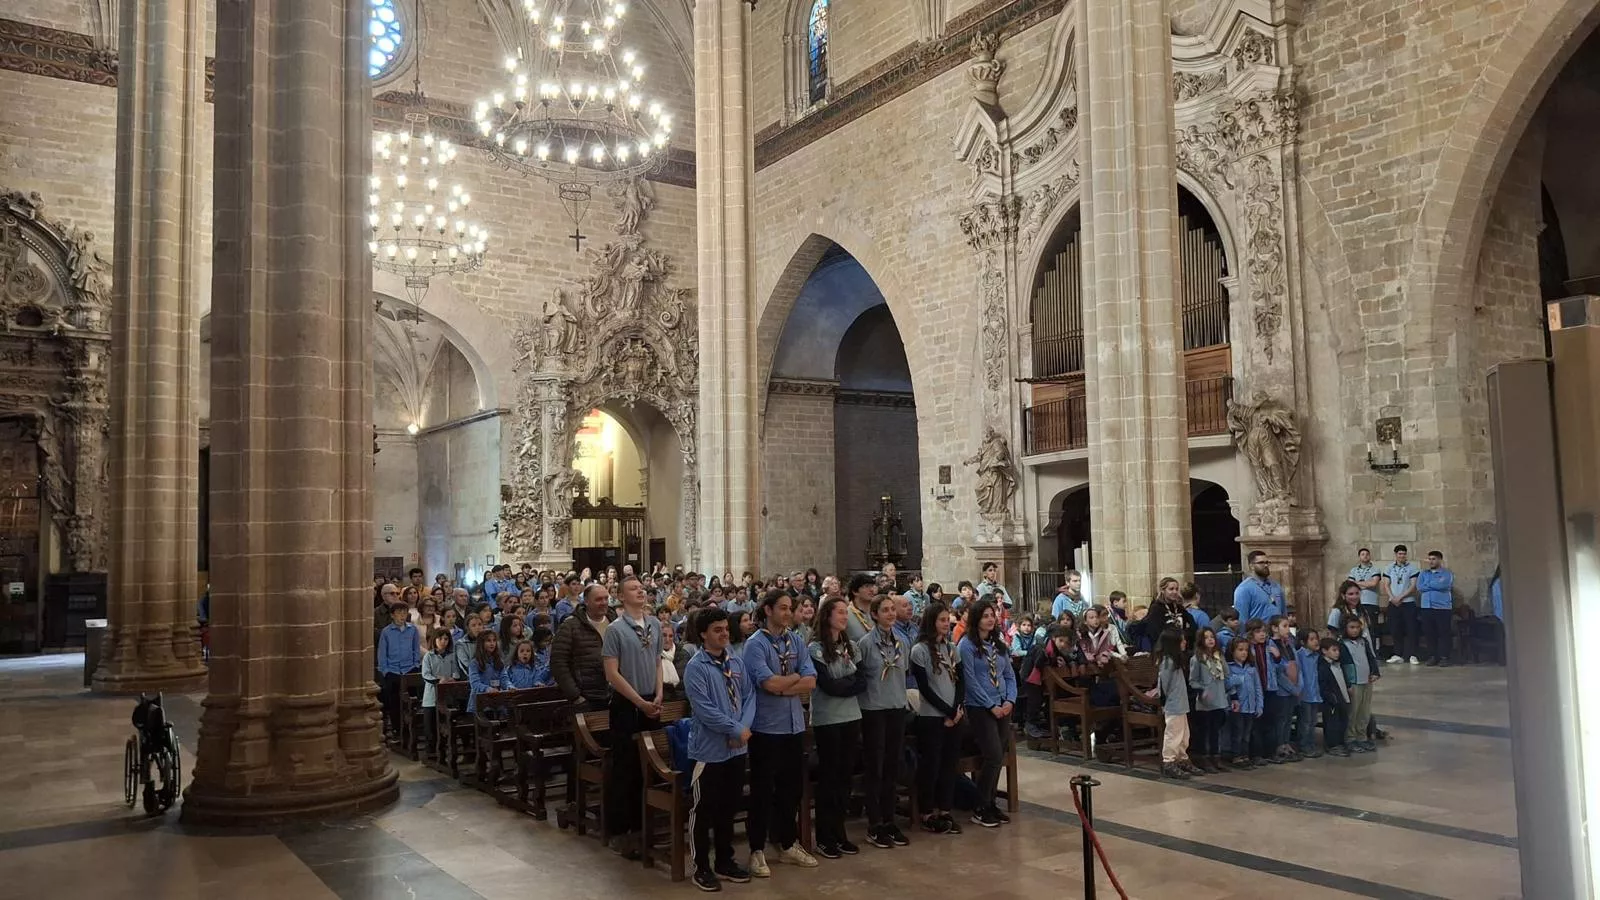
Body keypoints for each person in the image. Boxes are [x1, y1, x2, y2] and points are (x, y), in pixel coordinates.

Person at [742, 590, 819, 875]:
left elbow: (811, 682)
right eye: (783, 608)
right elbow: (768, 684)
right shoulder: (755, 645)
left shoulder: (796, 640)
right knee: (763, 789)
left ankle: (787, 843)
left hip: (794, 725)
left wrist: (789, 682)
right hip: (766, 727)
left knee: (791, 789)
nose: (788, 613)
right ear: (768, 610)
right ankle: (756, 849)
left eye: (791, 608)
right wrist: (793, 679)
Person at [682, 608, 756, 892]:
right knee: (705, 809)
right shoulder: (696, 667)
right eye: (717, 629)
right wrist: (736, 730)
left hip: (737, 749)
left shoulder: (735, 662)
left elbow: (749, 696)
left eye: (726, 628)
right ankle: (701, 866)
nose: (724, 633)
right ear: (703, 633)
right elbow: (704, 710)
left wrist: (744, 729)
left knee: (729, 806)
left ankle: (725, 860)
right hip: (709, 750)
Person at [601, 576, 665, 858]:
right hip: (627, 704)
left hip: (652, 701)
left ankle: (644, 826)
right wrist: (639, 701)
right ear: (621, 597)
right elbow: (612, 673)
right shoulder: (615, 629)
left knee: (649, 766)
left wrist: (659, 693)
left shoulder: (654, 624)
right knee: (625, 768)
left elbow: (657, 661)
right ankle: (620, 831)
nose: (640, 590)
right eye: (633, 589)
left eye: (641, 587)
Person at [809, 597, 868, 859]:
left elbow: (862, 681)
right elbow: (828, 685)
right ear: (827, 616)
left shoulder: (852, 646)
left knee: (845, 779)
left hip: (851, 716)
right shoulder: (815, 648)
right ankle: (824, 835)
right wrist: (848, 682)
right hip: (827, 719)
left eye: (846, 612)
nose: (845, 617)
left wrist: (846, 682)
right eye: (841, 612)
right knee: (830, 778)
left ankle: (840, 832)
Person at [856, 593, 911, 848]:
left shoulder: (902, 641)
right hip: (874, 709)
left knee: (892, 766)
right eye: (885, 610)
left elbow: (904, 671)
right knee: (875, 767)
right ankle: (875, 823)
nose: (890, 614)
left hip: (897, 706)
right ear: (874, 614)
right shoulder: (865, 643)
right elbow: (862, 676)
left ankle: (890, 820)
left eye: (892, 610)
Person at [909, 603, 965, 835]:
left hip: (955, 715)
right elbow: (925, 688)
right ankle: (927, 812)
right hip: (932, 716)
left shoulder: (952, 648)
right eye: (942, 620)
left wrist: (957, 709)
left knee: (949, 765)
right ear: (932, 622)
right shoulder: (919, 650)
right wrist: (948, 712)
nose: (946, 623)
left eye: (947, 619)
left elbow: (961, 681)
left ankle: (945, 809)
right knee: (931, 765)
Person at [959, 599, 1015, 827]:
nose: (990, 619)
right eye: (985, 616)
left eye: (992, 615)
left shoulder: (998, 644)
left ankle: (991, 803)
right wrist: (990, 705)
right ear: (976, 619)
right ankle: (980, 805)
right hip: (980, 707)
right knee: (992, 755)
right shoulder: (966, 645)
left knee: (998, 756)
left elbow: (1009, 675)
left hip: (1003, 704)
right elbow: (970, 680)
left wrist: (1010, 700)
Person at [551, 583, 613, 709]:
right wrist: (575, 695)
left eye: (606, 598)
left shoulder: (614, 622)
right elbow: (558, 662)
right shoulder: (570, 626)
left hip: (613, 694)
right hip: (586, 697)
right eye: (598, 599)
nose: (604, 602)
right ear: (586, 601)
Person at [1149, 629, 1196, 780]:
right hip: (1173, 704)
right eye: (1181, 640)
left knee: (1184, 734)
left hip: (1181, 703)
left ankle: (1182, 758)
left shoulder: (1176, 660)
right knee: (1173, 734)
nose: (1185, 642)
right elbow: (1164, 685)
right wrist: (1164, 701)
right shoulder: (1167, 662)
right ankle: (1169, 761)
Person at [377, 603, 422, 739]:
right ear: (392, 615)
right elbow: (382, 654)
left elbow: (416, 649)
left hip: (409, 669)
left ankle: (411, 729)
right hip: (393, 671)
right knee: (395, 702)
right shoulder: (386, 632)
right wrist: (385, 671)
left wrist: (416, 664)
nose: (402, 615)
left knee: (411, 702)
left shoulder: (412, 630)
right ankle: (398, 730)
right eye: (399, 612)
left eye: (404, 612)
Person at [1338, 613, 1382, 752]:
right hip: (1354, 682)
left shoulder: (1364, 641)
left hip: (1366, 680)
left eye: (1357, 627)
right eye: (1351, 627)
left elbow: (1370, 657)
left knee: (1364, 711)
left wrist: (1375, 672)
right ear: (1345, 628)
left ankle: (1361, 736)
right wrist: (1347, 684)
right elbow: (1343, 665)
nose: (1355, 630)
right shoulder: (1342, 644)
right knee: (1353, 712)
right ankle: (1350, 738)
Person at [1188, 627, 1229, 772]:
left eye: (1212, 636)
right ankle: (1204, 759)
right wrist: (1202, 690)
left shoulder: (1219, 657)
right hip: (1205, 701)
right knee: (1205, 731)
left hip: (1219, 698)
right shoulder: (1197, 659)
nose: (1210, 640)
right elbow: (1193, 681)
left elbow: (1226, 675)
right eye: (1206, 637)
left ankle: (1215, 757)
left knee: (1216, 731)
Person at [1224, 636, 1264, 769]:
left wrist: (1259, 705)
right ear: (1232, 651)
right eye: (1240, 650)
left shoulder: (1251, 668)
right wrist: (1237, 679)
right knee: (1238, 733)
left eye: (1246, 650)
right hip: (1237, 708)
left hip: (1251, 707)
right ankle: (1236, 756)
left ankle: (1245, 755)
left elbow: (1257, 687)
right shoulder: (1229, 667)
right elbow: (1227, 684)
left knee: (1247, 734)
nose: (1244, 653)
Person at [1266, 615, 1301, 761]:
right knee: (1280, 720)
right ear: (1274, 628)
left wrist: (1298, 686)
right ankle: (1279, 746)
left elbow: (1296, 664)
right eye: (1284, 626)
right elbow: (1278, 671)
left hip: (1293, 686)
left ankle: (1286, 743)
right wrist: (1292, 688)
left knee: (1288, 719)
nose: (1287, 629)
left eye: (1288, 626)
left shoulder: (1289, 644)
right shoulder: (1272, 645)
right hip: (1282, 690)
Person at [420, 628, 459, 757]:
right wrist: (438, 679)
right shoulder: (428, 656)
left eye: (446, 639)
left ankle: (444, 747)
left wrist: (452, 677)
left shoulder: (451, 656)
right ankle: (431, 750)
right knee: (430, 725)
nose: (443, 641)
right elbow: (426, 674)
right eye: (440, 639)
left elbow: (456, 671)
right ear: (434, 640)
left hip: (447, 695)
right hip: (432, 695)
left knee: (444, 723)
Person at [1383, 544, 1421, 664]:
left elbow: (1413, 586)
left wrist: (1401, 597)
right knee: (1395, 629)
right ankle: (1397, 653)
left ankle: (1412, 654)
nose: (1402, 556)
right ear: (1396, 555)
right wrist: (1392, 597)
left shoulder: (1412, 568)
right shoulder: (1389, 567)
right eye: (1399, 554)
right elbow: (1386, 584)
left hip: (1408, 602)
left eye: (1404, 554)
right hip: (1393, 602)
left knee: (1411, 629)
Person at [1418, 550, 1455, 666]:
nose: (1431, 561)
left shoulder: (1446, 573)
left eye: (1433, 559)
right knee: (1430, 633)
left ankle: (1444, 656)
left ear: (1439, 560)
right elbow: (1420, 587)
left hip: (1442, 608)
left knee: (1443, 633)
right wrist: (1434, 584)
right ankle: (1432, 656)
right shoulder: (1424, 573)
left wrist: (1428, 584)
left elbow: (1444, 585)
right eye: (1429, 559)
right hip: (1426, 607)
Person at [1317, 635, 1352, 757]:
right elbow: (1323, 685)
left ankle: (1341, 742)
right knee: (1332, 723)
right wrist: (1331, 697)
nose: (1337, 653)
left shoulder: (1338, 664)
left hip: (1342, 697)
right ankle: (1332, 745)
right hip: (1331, 700)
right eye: (1334, 650)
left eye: (1338, 650)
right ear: (1324, 651)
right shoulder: (1323, 667)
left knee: (1343, 721)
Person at [1233, 551, 1286, 627]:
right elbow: (1242, 620)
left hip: (1277, 635)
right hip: (1257, 634)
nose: (1265, 565)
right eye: (1261, 563)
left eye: (1267, 562)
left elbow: (1283, 613)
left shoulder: (1276, 586)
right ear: (1251, 566)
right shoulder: (1244, 589)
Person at [1294, 631, 1325, 758]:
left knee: (1312, 721)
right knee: (1305, 721)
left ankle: (1311, 743)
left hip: (1315, 694)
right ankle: (1303, 745)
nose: (1316, 641)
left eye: (1316, 638)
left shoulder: (1317, 656)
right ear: (1303, 642)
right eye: (1311, 639)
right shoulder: (1299, 655)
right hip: (1305, 694)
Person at [466, 630, 505, 714]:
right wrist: (487, 689)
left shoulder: (498, 661)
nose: (492, 643)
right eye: (488, 641)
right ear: (481, 643)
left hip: (496, 701)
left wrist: (509, 686)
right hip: (479, 704)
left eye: (494, 640)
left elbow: (504, 677)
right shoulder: (474, 663)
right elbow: (475, 684)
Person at [1349, 548, 1383, 617]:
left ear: (1370, 556)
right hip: (1357, 602)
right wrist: (1367, 584)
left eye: (1367, 554)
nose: (1365, 556)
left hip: (1371, 603)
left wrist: (1356, 583)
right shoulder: (1353, 570)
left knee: (1372, 626)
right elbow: (1350, 585)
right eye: (1363, 554)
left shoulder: (1375, 569)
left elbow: (1374, 583)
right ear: (1359, 557)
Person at [844, 573, 878, 642]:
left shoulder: (877, 612)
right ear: (855, 591)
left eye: (872, 586)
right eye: (867, 586)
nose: (871, 590)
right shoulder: (846, 614)